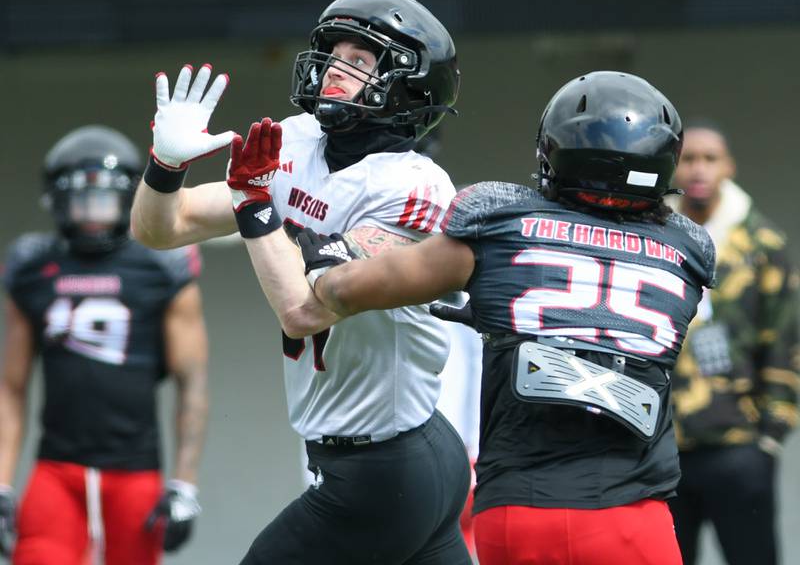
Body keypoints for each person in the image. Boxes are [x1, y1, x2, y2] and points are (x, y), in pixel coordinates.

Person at [281, 71, 718, 564]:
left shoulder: (499, 223)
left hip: (517, 511)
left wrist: (321, 255)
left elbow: (342, 291)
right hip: (630, 513)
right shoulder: (687, 252)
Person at [130, 0, 472, 564]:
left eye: (360, 61)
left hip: (386, 464)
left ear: (410, 88)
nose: (334, 70)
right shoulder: (295, 143)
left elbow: (306, 309)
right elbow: (160, 229)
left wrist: (255, 203)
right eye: (333, 53)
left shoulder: (415, 187)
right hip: (383, 453)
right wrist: (165, 167)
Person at [0, 126, 209, 565]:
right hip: (57, 470)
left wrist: (184, 484)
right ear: (58, 203)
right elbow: (10, 387)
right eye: (81, 200)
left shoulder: (161, 264)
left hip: (135, 471)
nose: (93, 215)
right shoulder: (33, 267)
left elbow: (192, 381)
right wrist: (1, 484)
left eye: (104, 200)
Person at [666, 121, 799, 565]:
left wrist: (770, 437)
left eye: (709, 158)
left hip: (738, 444)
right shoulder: (650, 238)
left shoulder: (762, 245)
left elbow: (786, 341)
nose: (698, 169)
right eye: (688, 158)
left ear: (728, 167)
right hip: (659, 449)